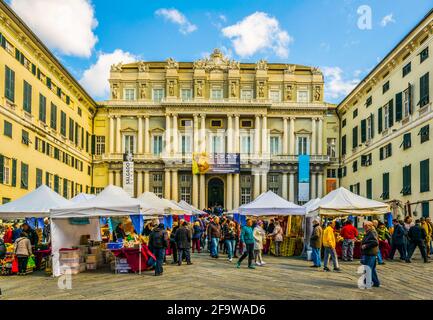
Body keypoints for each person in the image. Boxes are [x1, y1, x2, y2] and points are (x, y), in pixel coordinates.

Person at [360, 221, 380, 288]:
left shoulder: (372, 232)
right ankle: (376, 282)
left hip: (370, 253)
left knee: (368, 268)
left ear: (370, 226)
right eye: (364, 226)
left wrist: (365, 246)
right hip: (370, 253)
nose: (364, 227)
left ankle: (367, 283)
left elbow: (375, 242)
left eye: (366, 226)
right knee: (372, 269)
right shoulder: (369, 232)